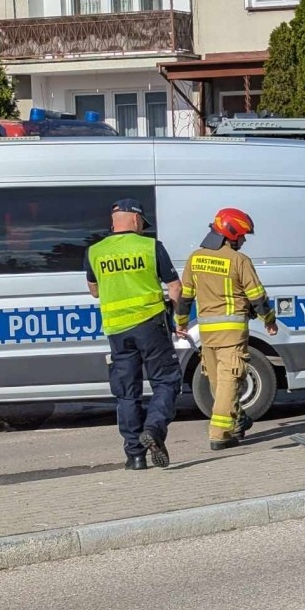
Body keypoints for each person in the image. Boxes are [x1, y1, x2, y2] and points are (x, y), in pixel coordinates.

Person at [85, 199, 182, 470]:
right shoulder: (151, 246)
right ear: (137, 220)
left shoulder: (94, 251)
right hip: (151, 326)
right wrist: (170, 313)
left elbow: (94, 290)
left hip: (117, 331)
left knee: (127, 393)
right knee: (167, 381)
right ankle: (153, 428)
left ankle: (135, 456)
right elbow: (175, 286)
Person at [175, 208, 278, 451]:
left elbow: (185, 298)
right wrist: (269, 320)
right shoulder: (238, 261)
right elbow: (257, 297)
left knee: (218, 384)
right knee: (229, 382)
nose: (242, 241)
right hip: (232, 335)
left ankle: (237, 420)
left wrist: (180, 324)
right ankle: (220, 434)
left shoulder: (195, 259)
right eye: (241, 236)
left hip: (207, 336)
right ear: (230, 234)